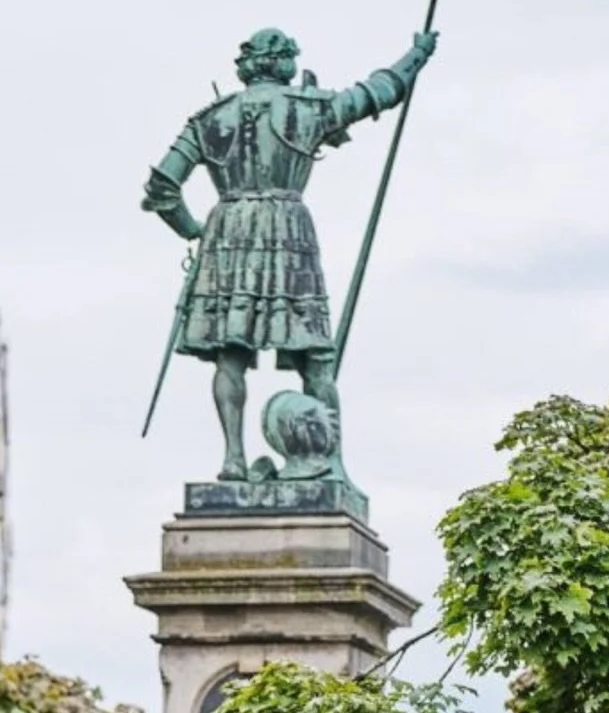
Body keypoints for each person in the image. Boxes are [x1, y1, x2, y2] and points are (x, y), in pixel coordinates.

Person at [143, 26, 435, 478]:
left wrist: (195, 229)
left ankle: (233, 460)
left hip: (228, 232)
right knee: (315, 355)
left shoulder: (209, 119)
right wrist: (417, 55)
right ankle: (331, 462)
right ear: (283, 62)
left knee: (230, 354)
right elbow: (379, 92)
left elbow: (162, 185)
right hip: (285, 227)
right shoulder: (307, 107)